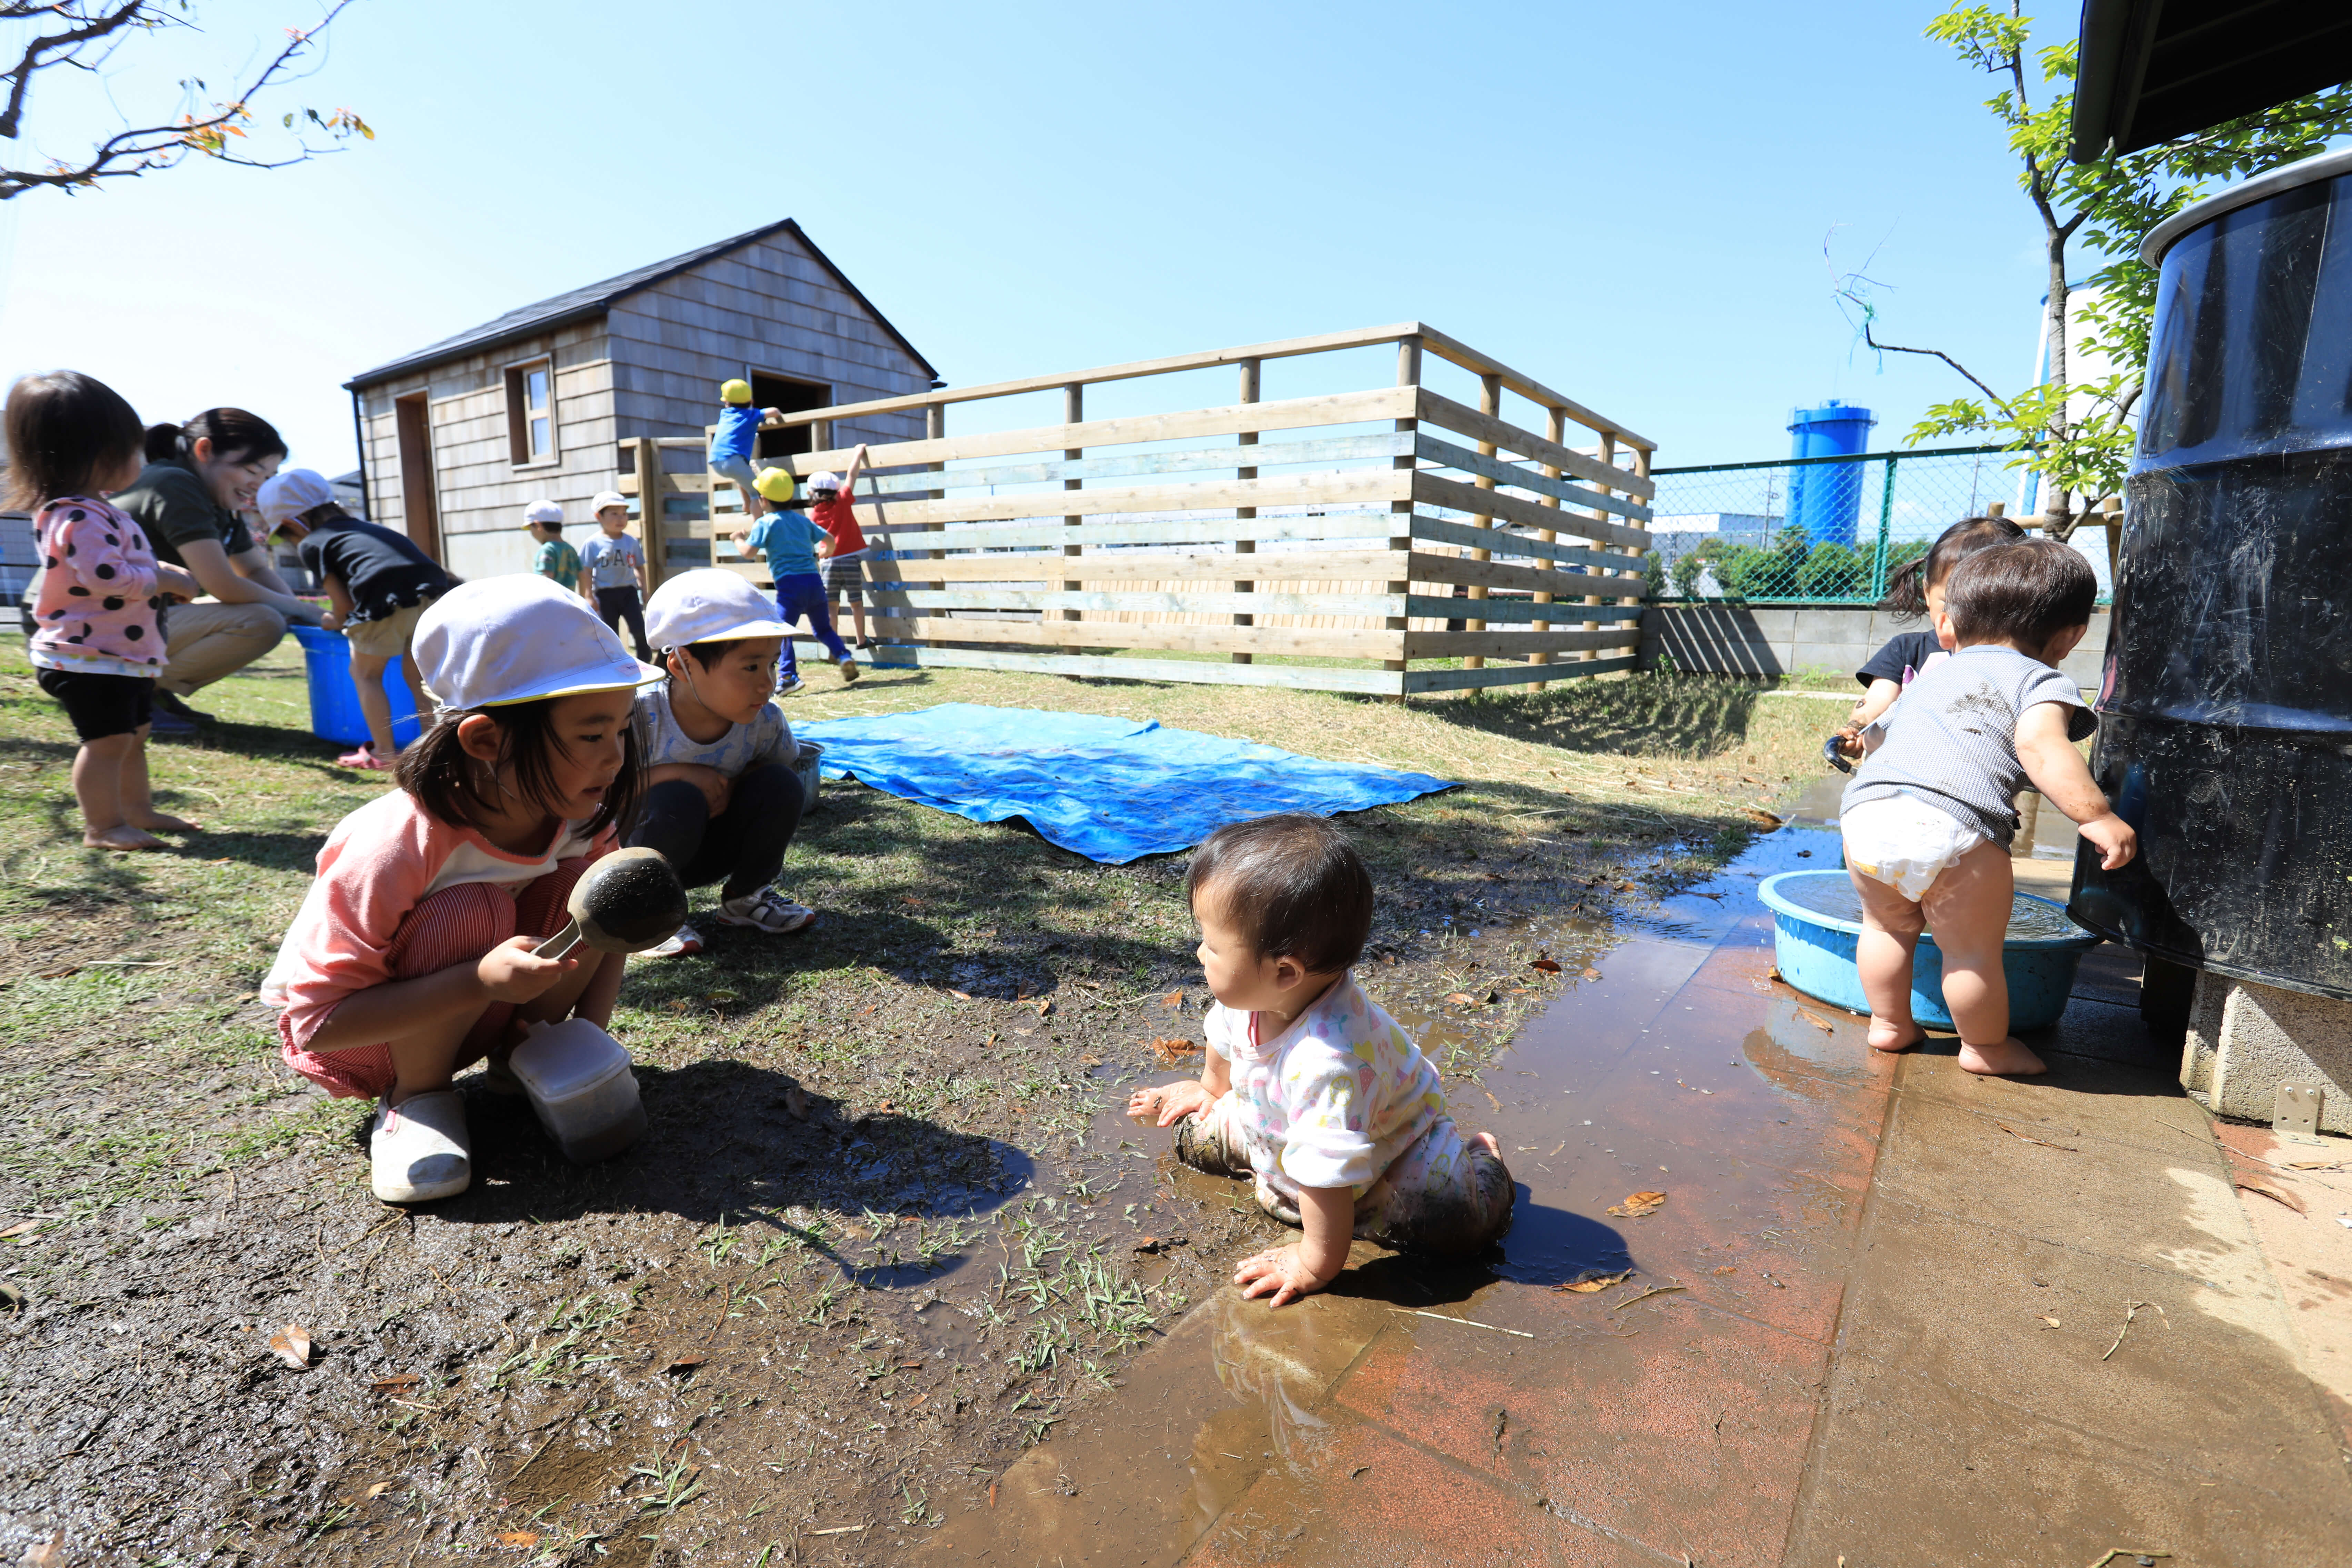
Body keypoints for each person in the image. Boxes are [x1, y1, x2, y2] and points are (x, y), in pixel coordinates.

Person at [258, 576, 663, 1204]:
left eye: (621, 729)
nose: (615, 757)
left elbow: (607, 934)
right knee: (470, 911)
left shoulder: (581, 816)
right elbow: (317, 1024)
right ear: (486, 740)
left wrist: (587, 1038)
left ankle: (525, 1060)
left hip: (492, 1011)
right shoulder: (395, 844)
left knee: (596, 888)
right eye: (591, 734)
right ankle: (418, 1100)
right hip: (370, 1043)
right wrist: (477, 981)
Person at [1126, 815, 1514, 1305]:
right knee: (1191, 1134)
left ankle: (1484, 1161)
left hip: (1389, 1160)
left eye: (1214, 944)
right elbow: (1222, 1041)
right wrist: (1209, 1089)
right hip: (1274, 1124)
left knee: (1454, 1224)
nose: (1200, 951)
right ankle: (1268, 1161)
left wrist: (1313, 1261)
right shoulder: (1244, 995)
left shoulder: (1328, 1060)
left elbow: (1329, 1177)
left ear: (1284, 971)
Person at [1839, 539, 2136, 1078]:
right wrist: (2095, 816)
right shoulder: (2039, 680)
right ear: (2071, 636)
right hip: (1954, 827)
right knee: (1971, 953)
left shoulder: (1930, 676)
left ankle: (1888, 1024)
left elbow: (1880, 739)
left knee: (1883, 929)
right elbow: (2042, 749)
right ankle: (1984, 1048)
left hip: (1866, 814)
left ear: (1948, 625)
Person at [8, 371, 205, 850]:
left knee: (135, 734)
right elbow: (106, 577)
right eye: (132, 450)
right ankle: (103, 826)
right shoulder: (73, 515)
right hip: (85, 656)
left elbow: (125, 562)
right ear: (98, 456)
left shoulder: (99, 509)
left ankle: (136, 810)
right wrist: (165, 579)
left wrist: (162, 570)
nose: (140, 460)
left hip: (116, 653)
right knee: (108, 742)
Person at [628, 570, 818, 958]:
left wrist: (733, 784)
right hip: (637, 851)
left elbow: (775, 772)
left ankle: (746, 897)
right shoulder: (636, 718)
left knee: (781, 783)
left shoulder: (765, 720)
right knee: (678, 797)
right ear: (681, 666)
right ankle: (646, 910)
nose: (767, 683)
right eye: (750, 667)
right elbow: (597, 795)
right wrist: (678, 773)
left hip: (711, 848)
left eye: (771, 664)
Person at [110, 408, 319, 735]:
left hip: (132, 620)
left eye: (267, 477)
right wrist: (301, 608)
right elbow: (222, 584)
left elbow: (251, 568)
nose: (258, 485)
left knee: (270, 611)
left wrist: (300, 610)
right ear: (204, 451)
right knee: (263, 621)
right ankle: (128, 694)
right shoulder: (175, 483)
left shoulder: (220, 504)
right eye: (253, 470)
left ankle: (152, 691)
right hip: (85, 627)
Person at [257, 469, 457, 771]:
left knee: (366, 674)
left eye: (286, 535)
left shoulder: (313, 543)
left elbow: (343, 605)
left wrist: (332, 622)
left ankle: (385, 755)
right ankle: (435, 748)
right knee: (417, 678)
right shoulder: (369, 530)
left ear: (291, 523)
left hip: (383, 600)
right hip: (431, 594)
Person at [1833, 515, 2026, 761]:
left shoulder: (2016, 661)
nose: (1965, 618)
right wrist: (1855, 727)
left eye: (1987, 607)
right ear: (1927, 591)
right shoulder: (1907, 649)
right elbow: (1878, 698)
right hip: (1893, 771)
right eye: (1951, 603)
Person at [740, 468, 858, 695]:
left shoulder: (766, 523)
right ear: (791, 498)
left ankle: (787, 677)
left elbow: (748, 552)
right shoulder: (802, 521)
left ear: (763, 500)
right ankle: (843, 656)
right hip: (814, 583)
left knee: (782, 632)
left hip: (789, 587)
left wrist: (737, 539)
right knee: (823, 628)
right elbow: (830, 539)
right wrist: (826, 552)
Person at [808, 446, 874, 650]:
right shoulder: (844, 499)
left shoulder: (815, 515)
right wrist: (858, 454)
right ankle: (861, 640)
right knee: (856, 603)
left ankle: (834, 646)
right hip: (851, 560)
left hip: (828, 563)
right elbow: (851, 475)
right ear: (835, 490)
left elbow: (814, 540)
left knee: (831, 607)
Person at [581, 490, 652, 661]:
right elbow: (586, 571)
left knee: (639, 629)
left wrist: (645, 590)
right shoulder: (593, 544)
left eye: (624, 514)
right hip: (605, 595)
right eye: (614, 514)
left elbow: (640, 567)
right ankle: (613, 663)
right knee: (610, 633)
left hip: (629, 592)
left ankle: (645, 661)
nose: (621, 519)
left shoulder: (631, 542)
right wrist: (588, 596)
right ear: (599, 516)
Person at [708, 378, 784, 521]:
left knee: (742, 475)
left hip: (715, 461)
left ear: (727, 403)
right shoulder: (752, 415)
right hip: (734, 460)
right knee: (757, 493)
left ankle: (746, 505)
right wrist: (779, 415)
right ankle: (758, 527)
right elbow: (774, 411)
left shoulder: (725, 415)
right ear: (752, 401)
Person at [525, 501, 586, 599]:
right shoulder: (570, 549)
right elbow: (582, 575)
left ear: (538, 526)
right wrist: (582, 599)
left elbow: (546, 579)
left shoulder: (547, 550)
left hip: (552, 604)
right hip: (569, 602)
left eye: (530, 528)